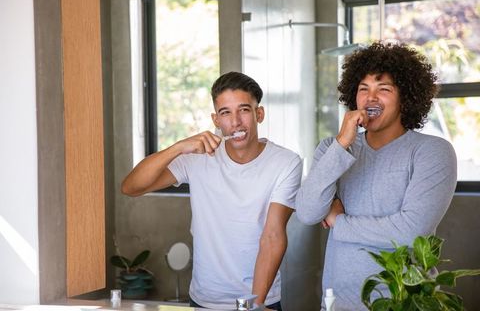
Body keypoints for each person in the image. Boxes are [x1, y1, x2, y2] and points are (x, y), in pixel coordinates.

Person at [295, 42, 457, 310]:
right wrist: (341, 145)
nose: (371, 98)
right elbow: (308, 212)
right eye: (363, 89)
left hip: (403, 301)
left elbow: (410, 232)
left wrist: (340, 221)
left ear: (406, 97)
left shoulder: (432, 152)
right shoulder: (332, 149)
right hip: (337, 303)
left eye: (384, 89)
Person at [122, 71, 302, 310]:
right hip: (204, 300)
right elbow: (132, 187)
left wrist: (253, 305)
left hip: (259, 299)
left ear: (259, 114)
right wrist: (178, 147)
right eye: (225, 113)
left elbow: (272, 237)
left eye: (244, 110)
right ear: (216, 120)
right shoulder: (197, 158)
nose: (235, 122)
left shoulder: (286, 163)